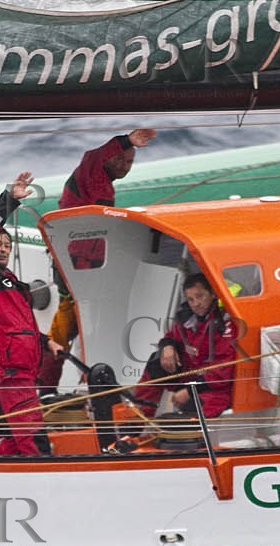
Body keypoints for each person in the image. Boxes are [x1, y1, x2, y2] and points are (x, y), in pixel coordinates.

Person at [0, 172, 63, 456]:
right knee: (33, 438)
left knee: (14, 439)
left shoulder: (9, 282)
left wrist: (44, 342)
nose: (3, 249)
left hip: (21, 371)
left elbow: (18, 325)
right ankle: (49, 486)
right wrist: (7, 201)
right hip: (8, 371)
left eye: (7, 245)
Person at [49, 128, 158, 348]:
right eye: (121, 159)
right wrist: (126, 140)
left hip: (94, 267)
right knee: (66, 326)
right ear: (110, 157)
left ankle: (92, 369)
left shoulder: (104, 184)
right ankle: (46, 375)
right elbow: (93, 156)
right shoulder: (90, 173)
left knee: (93, 323)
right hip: (72, 266)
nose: (124, 167)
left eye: (129, 162)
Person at [132, 272, 237, 419]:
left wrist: (189, 390)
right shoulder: (187, 318)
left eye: (200, 296)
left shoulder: (224, 324)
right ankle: (140, 417)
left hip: (214, 389)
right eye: (190, 299)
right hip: (190, 376)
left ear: (213, 294)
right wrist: (167, 347)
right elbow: (170, 337)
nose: (195, 304)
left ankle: (180, 433)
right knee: (156, 362)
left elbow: (222, 372)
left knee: (188, 416)